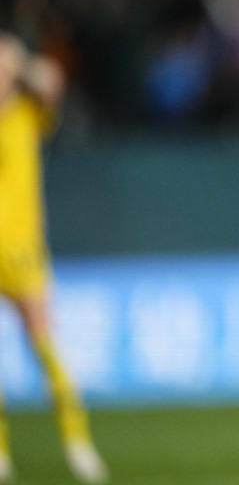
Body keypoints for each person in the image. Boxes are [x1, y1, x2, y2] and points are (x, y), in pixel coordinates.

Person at [0, 32, 108, 484]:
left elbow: (53, 80)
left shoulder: (27, 114)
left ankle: (77, 440)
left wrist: (19, 64)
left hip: (22, 249)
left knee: (44, 345)